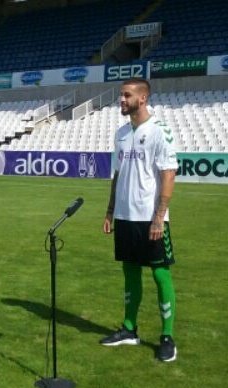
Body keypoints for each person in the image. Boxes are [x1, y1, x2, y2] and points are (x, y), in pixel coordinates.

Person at [101, 78, 179, 362]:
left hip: (151, 218)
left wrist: (159, 218)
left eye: (126, 95)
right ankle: (129, 330)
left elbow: (168, 174)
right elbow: (118, 175)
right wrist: (110, 211)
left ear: (142, 98)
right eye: (121, 95)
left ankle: (167, 337)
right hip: (124, 217)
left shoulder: (160, 131)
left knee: (160, 275)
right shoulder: (121, 133)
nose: (121, 100)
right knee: (130, 273)